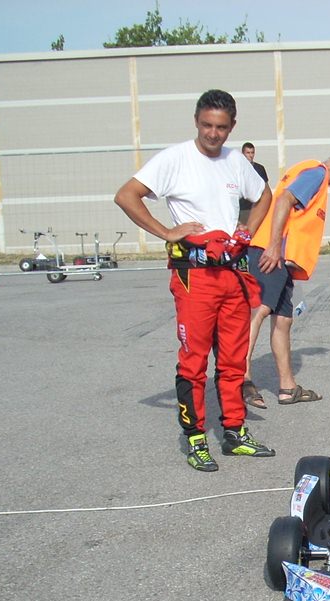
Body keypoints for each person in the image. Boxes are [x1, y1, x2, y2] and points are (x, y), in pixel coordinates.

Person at [113, 89, 275, 472]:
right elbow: (126, 195)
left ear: (232, 126)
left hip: (233, 273)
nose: (213, 134)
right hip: (195, 277)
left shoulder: (236, 161)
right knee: (194, 362)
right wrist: (166, 231)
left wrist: (247, 230)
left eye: (221, 127)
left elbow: (265, 195)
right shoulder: (175, 159)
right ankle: (196, 438)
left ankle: (234, 432)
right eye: (206, 125)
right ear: (196, 121)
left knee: (233, 360)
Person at [243, 151, 330, 408]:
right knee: (258, 311)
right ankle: (241, 379)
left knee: (283, 320)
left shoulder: (318, 180)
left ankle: (288, 388)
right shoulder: (317, 174)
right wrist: (274, 246)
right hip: (271, 253)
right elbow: (284, 201)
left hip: (283, 260)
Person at [238, 142, 269, 219]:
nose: (251, 155)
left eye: (252, 152)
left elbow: (266, 189)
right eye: (248, 153)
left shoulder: (260, 168)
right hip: (242, 208)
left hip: (256, 208)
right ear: (243, 154)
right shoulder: (237, 169)